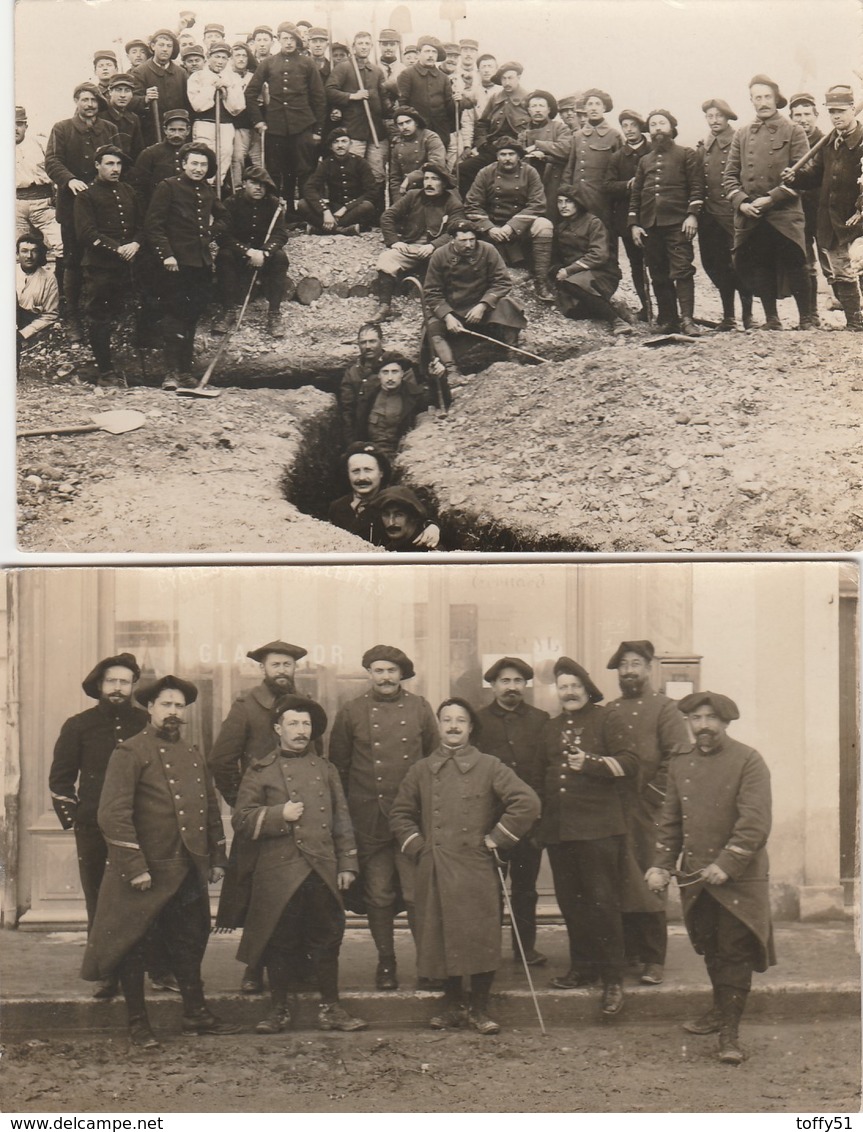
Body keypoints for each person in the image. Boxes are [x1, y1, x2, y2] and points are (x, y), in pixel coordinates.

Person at [81, 675, 239, 1048]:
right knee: (134, 945)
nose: (173, 712)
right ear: (149, 708)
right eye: (166, 704)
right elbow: (112, 815)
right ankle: (138, 1023)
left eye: (178, 706)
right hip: (145, 872)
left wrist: (217, 857)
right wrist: (135, 867)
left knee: (188, 940)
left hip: (185, 869)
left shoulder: (192, 753)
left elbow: (209, 811)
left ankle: (195, 1013)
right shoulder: (130, 752)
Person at [390, 697, 540, 1033]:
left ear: (471, 727)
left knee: (480, 934)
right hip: (436, 865)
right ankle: (453, 1005)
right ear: (439, 726)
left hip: (475, 864)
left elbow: (527, 802)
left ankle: (479, 1009)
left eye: (461, 720)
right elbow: (400, 813)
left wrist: (497, 838)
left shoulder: (489, 765)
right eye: (447, 720)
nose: (454, 726)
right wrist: (420, 848)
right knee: (443, 936)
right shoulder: (421, 769)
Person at [647, 691, 775, 1065]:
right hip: (697, 878)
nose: (703, 727)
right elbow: (670, 820)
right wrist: (661, 864)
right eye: (696, 719)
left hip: (738, 879)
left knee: (735, 952)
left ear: (726, 723)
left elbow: (754, 823)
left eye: (710, 719)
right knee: (712, 947)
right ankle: (720, 1010)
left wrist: (728, 863)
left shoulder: (748, 760)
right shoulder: (680, 763)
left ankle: (730, 1034)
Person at [234, 695, 368, 1035]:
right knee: (280, 941)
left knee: (328, 939)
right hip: (279, 871)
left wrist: (347, 863)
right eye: (293, 723)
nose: (300, 730)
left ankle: (331, 1008)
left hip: (321, 868)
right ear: (278, 728)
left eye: (306, 724)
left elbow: (341, 818)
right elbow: (242, 820)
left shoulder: (326, 770)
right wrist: (280, 815)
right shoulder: (259, 769)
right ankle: (278, 1009)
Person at [329, 645, 439, 990]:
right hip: (370, 820)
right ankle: (386, 962)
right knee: (378, 894)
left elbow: (435, 764)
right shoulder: (351, 712)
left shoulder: (421, 709)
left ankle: (428, 964)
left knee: (415, 893)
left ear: (401, 674)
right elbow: (339, 771)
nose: (385, 677)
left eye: (392, 671)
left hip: (411, 818)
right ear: (369, 674)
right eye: (378, 670)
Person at [208, 641, 314, 996]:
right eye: (276, 665)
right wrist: (244, 804)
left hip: (299, 817)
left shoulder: (304, 707)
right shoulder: (246, 707)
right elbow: (221, 761)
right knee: (257, 897)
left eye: (288, 665)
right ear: (262, 669)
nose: (282, 671)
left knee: (298, 893)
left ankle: (296, 965)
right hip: (259, 821)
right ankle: (253, 967)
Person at [536, 658, 637, 1016]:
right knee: (570, 903)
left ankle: (612, 980)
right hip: (561, 832)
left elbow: (631, 762)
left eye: (574, 685)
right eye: (563, 687)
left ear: (587, 688)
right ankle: (582, 967)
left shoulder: (606, 718)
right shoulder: (550, 728)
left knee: (602, 903)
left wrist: (592, 763)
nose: (569, 692)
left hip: (599, 831)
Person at [48, 654, 150, 999]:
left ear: (133, 686)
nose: (118, 688)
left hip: (141, 828)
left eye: (124, 682)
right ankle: (107, 971)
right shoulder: (79, 725)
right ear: (99, 686)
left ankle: (157, 966)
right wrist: (79, 818)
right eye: (112, 681)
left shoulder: (146, 722)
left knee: (146, 896)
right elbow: (60, 781)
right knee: (99, 898)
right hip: (94, 829)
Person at [604, 640, 693, 986]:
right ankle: (631, 951)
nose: (629, 671)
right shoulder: (610, 710)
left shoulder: (665, 709)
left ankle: (654, 958)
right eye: (623, 665)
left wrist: (653, 796)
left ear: (649, 668)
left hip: (651, 809)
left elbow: (677, 756)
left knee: (650, 878)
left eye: (636, 664)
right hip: (616, 808)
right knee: (621, 879)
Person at [474, 657, 550, 967]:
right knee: (488, 890)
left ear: (525, 685)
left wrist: (540, 816)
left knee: (525, 890)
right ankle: (487, 951)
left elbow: (547, 769)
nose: (512, 687)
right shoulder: (478, 722)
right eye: (505, 681)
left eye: (518, 681)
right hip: (491, 822)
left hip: (529, 824)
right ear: (493, 685)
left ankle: (525, 949)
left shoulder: (541, 719)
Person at [722, 74, 812, 330]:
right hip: (753, 213)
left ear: (776, 99)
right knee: (760, 264)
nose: (762, 102)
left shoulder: (793, 130)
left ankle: (806, 318)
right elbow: (729, 176)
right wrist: (742, 202)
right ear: (751, 101)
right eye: (757, 97)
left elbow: (803, 175)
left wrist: (771, 199)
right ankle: (772, 319)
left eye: (767, 97)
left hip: (784, 212)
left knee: (796, 262)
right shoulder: (741, 134)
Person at [144, 140, 225, 390]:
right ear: (183, 164)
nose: (199, 169)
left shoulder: (208, 191)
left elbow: (224, 217)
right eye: (194, 163)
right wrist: (167, 254)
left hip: (199, 264)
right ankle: (170, 373)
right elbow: (153, 224)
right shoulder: (168, 187)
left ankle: (186, 373)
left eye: (203, 164)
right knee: (174, 318)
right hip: (175, 264)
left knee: (191, 318)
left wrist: (212, 233)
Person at [45, 83, 120, 342]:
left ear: (100, 104)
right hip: (72, 205)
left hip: (102, 207)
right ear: (76, 101)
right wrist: (70, 180)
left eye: (94, 101)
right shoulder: (62, 128)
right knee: (73, 261)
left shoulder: (109, 130)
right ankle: (73, 318)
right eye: (84, 99)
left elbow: (117, 160)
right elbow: (53, 161)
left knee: (102, 260)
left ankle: (103, 318)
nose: (89, 105)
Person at [785, 85, 863, 331]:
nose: (836, 116)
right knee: (841, 270)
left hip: (858, 217)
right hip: (832, 218)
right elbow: (816, 175)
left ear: (853, 109)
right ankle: (854, 322)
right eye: (831, 112)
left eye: (841, 110)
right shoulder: (830, 143)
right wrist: (795, 178)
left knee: (860, 266)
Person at [629, 109, 703, 336]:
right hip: (651, 225)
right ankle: (669, 319)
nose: (658, 128)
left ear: (671, 128)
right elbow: (637, 194)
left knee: (681, 270)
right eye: (653, 125)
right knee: (658, 273)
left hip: (678, 223)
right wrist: (634, 224)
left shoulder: (686, 154)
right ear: (649, 131)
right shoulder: (644, 161)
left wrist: (692, 215)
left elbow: (697, 188)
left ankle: (687, 321)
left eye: (662, 123)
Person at [74, 144, 143, 388]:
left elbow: (141, 224)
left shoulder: (127, 191)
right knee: (99, 316)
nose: (115, 169)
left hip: (130, 263)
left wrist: (136, 242)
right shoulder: (86, 195)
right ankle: (105, 371)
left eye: (119, 164)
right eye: (109, 164)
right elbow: (86, 233)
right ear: (97, 166)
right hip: (100, 266)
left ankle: (142, 367)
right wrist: (117, 248)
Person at [423, 219, 526, 381]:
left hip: (480, 305)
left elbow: (502, 282)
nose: (469, 245)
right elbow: (431, 292)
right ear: (452, 240)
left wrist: (483, 305)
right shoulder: (440, 255)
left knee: (508, 305)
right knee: (432, 330)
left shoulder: (488, 250)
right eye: (463, 241)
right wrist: (447, 316)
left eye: (472, 240)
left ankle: (513, 354)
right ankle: (451, 371)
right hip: (452, 308)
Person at [244, 22, 327, 215]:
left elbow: (319, 98)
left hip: (302, 126)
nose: (289, 43)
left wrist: (318, 131)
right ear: (278, 40)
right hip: (276, 127)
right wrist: (258, 121)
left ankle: (307, 213)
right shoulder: (269, 63)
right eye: (285, 38)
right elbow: (250, 93)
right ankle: (279, 212)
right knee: (276, 171)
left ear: (298, 41)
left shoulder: (307, 63)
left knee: (304, 170)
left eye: (292, 39)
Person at [465, 136, 555, 301]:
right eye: (503, 154)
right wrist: (489, 227)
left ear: (518, 156)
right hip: (493, 227)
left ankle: (541, 280)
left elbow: (538, 203)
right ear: (497, 156)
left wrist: (512, 226)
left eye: (511, 154)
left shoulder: (529, 172)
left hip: (520, 227)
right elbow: (472, 204)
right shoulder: (486, 172)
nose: (507, 158)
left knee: (544, 224)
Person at [373, 162, 465, 321]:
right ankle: (384, 306)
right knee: (386, 258)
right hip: (411, 246)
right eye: (426, 178)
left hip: (438, 250)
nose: (429, 183)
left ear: (443, 183)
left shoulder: (453, 203)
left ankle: (442, 311)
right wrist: (394, 241)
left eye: (435, 179)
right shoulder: (413, 196)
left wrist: (433, 246)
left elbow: (455, 232)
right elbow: (387, 216)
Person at [696, 98, 755, 331]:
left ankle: (748, 317)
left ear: (728, 117)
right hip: (710, 216)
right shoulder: (704, 145)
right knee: (714, 264)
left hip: (733, 214)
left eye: (718, 116)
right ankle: (729, 317)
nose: (714, 121)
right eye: (710, 116)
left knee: (740, 264)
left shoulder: (739, 140)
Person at [215, 165, 289, 339]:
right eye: (254, 183)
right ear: (243, 183)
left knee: (280, 257)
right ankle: (228, 311)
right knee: (224, 255)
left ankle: (274, 314)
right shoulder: (230, 203)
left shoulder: (273, 204)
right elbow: (223, 236)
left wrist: (264, 252)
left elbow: (280, 234)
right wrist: (248, 251)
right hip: (239, 255)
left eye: (263, 184)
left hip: (264, 257)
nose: (259, 188)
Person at [552, 183, 629, 335]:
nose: (563, 206)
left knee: (572, 284)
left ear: (578, 203)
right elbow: (556, 258)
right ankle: (612, 307)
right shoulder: (560, 228)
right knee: (570, 311)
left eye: (568, 201)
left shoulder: (593, 223)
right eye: (560, 202)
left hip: (602, 273)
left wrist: (569, 270)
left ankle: (616, 320)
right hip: (577, 277)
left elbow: (599, 255)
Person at [325, 32, 390, 202]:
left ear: (371, 46)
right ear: (354, 47)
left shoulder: (377, 71)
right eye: (360, 43)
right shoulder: (344, 68)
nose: (363, 46)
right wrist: (353, 96)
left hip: (376, 132)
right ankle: (353, 213)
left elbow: (384, 102)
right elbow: (329, 91)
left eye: (367, 43)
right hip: (354, 131)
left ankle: (376, 213)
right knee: (353, 172)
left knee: (377, 173)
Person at [788, 92, 834, 322]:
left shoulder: (828, 140)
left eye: (807, 114)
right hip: (797, 211)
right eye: (797, 115)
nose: (803, 119)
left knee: (833, 262)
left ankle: (852, 315)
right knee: (804, 263)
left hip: (824, 211)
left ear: (816, 116)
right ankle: (810, 315)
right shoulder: (789, 143)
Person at [602, 109, 652, 321]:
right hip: (626, 218)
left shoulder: (653, 151)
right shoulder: (617, 157)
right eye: (625, 126)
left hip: (652, 216)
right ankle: (646, 307)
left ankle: (668, 309)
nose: (629, 130)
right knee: (636, 264)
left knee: (658, 263)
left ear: (641, 127)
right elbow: (607, 185)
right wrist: (627, 185)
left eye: (633, 125)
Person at [458, 61, 530, 196]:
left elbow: (533, 127)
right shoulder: (495, 98)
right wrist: (483, 143)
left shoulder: (528, 99)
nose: (507, 82)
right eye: (503, 78)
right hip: (493, 148)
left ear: (518, 78)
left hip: (519, 151)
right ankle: (468, 206)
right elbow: (482, 124)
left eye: (510, 78)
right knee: (463, 169)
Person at [187, 41, 246, 189]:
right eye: (217, 56)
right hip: (204, 125)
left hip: (226, 125)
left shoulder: (233, 78)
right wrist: (212, 85)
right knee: (203, 158)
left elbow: (238, 107)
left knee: (224, 157)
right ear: (208, 57)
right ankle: (201, 189)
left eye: (224, 58)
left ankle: (215, 191)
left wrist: (226, 87)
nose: (220, 61)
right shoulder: (197, 77)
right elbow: (198, 105)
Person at [298, 126, 378, 235]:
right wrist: (325, 211)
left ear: (350, 144)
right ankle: (344, 230)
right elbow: (309, 187)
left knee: (367, 206)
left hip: (353, 210)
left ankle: (321, 229)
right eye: (336, 142)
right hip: (333, 208)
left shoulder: (360, 162)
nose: (340, 145)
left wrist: (346, 208)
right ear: (331, 146)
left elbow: (371, 192)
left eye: (344, 141)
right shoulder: (327, 164)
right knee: (302, 204)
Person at [562, 88, 622, 232]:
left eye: (597, 104)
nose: (593, 108)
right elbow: (570, 168)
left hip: (603, 199)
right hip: (579, 198)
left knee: (605, 236)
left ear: (604, 108)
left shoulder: (614, 136)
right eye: (590, 104)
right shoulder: (577, 136)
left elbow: (621, 170)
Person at [353, 351, 430, 456]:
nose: (390, 378)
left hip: (399, 453)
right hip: (371, 451)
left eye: (394, 372)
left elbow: (438, 399)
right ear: (379, 375)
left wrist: (437, 378)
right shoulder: (369, 396)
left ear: (402, 374)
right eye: (385, 372)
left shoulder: (413, 395)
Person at [15, 106, 63, 271]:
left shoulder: (39, 142)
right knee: (18, 252)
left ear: (26, 126)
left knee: (61, 244)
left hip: (43, 202)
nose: (14, 128)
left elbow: (56, 167)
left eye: (19, 124)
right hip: (16, 205)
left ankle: (61, 291)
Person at [129, 29, 189, 149]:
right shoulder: (140, 72)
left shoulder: (181, 73)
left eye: (169, 46)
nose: (165, 49)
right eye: (161, 45)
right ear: (153, 46)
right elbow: (131, 102)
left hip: (177, 132)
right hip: (151, 131)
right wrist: (145, 99)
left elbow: (187, 103)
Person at [518, 90, 571, 223]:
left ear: (548, 109)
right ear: (529, 110)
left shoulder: (559, 128)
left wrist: (538, 146)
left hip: (553, 183)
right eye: (534, 106)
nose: (538, 110)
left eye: (541, 106)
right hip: (529, 183)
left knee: (552, 219)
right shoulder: (523, 133)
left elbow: (566, 149)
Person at [396, 36, 455, 150]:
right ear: (418, 54)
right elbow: (402, 105)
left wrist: (458, 100)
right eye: (427, 51)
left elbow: (449, 108)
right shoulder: (407, 75)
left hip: (440, 133)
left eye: (434, 52)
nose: (431, 55)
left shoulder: (444, 78)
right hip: (416, 134)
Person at [131, 108, 191, 206]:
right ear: (165, 130)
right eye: (172, 130)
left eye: (181, 130)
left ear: (188, 131)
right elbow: (138, 188)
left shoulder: (193, 154)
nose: (177, 134)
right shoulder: (150, 154)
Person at [387, 106, 447, 202]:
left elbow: (436, 165)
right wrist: (398, 201)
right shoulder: (397, 144)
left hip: (430, 189)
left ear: (416, 122)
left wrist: (410, 178)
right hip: (406, 192)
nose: (405, 126)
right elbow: (395, 177)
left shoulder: (430, 138)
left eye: (408, 122)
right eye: (400, 124)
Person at [16, 234, 59, 354]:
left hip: (28, 325)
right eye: (24, 251)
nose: (29, 256)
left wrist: (23, 334)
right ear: (17, 254)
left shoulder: (48, 278)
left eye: (34, 251)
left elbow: (50, 314)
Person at [366, 486, 443, 552]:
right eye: (386, 515)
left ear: (413, 517)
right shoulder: (390, 545)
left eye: (398, 515)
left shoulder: (428, 550)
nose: (391, 522)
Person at [228, 42, 261, 189]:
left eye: (244, 55)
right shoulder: (228, 77)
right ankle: (237, 188)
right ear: (232, 58)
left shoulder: (253, 77)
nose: (241, 59)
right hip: (238, 124)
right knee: (238, 158)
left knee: (257, 159)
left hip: (255, 124)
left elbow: (262, 100)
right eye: (237, 55)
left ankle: (260, 187)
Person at [99, 74, 144, 163]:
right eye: (118, 90)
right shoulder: (100, 115)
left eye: (127, 91)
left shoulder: (133, 119)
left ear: (132, 94)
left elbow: (138, 151)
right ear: (110, 92)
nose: (123, 95)